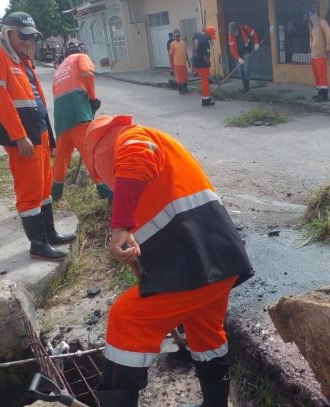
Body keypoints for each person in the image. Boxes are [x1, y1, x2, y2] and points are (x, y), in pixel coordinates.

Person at [81, 114, 254, 407]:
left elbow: (138, 153)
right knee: (206, 332)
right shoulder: (153, 159)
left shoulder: (127, 140)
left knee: (127, 318)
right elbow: (161, 220)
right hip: (216, 259)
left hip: (194, 263)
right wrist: (139, 259)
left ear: (98, 155)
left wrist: (121, 225)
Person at [0, 11, 75, 261]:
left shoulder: (21, 58)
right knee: (29, 191)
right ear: (8, 32)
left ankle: (49, 235)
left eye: (31, 37)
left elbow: (37, 99)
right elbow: (0, 100)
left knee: (44, 187)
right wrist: (19, 136)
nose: (28, 42)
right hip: (23, 136)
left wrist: (50, 138)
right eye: (23, 36)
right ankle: (38, 245)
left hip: (39, 130)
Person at [50, 39, 103, 202]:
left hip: (61, 117)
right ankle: (107, 191)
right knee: (90, 153)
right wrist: (93, 98)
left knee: (62, 158)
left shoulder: (59, 68)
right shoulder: (81, 57)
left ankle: (55, 194)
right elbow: (87, 74)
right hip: (78, 111)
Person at [308, 10, 330, 101]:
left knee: (322, 75)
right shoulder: (313, 26)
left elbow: (329, 34)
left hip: (321, 54)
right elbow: (311, 38)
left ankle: (324, 95)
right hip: (314, 55)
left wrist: (328, 47)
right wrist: (310, 47)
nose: (310, 19)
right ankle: (319, 93)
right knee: (316, 75)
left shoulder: (322, 22)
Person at [228, 21, 260, 92]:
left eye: (234, 31)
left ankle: (247, 87)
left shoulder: (245, 28)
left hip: (246, 51)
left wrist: (256, 43)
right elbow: (232, 49)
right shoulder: (231, 36)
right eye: (231, 32)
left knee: (246, 68)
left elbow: (254, 34)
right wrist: (238, 58)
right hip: (238, 54)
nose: (233, 33)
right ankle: (245, 86)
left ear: (237, 29)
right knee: (240, 70)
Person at [192, 25, 217, 107]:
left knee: (204, 81)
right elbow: (206, 58)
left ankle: (206, 97)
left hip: (196, 62)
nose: (211, 38)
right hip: (203, 64)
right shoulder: (205, 42)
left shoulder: (197, 35)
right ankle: (206, 100)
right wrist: (209, 64)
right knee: (205, 82)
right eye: (211, 36)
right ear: (208, 34)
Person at [169, 29, 191, 94]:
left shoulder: (183, 42)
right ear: (174, 37)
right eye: (176, 36)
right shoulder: (172, 44)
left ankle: (185, 89)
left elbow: (185, 52)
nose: (178, 37)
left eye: (178, 36)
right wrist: (171, 66)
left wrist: (188, 61)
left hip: (184, 64)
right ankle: (180, 90)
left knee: (185, 77)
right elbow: (171, 55)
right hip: (177, 64)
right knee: (179, 78)